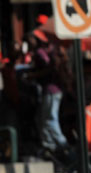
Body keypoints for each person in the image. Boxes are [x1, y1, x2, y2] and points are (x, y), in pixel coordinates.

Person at [32, 30, 70, 158]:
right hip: (55, 89)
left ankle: (63, 145)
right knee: (42, 119)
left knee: (49, 119)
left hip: (51, 90)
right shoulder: (54, 50)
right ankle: (49, 147)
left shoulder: (43, 52)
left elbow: (47, 68)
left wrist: (31, 75)